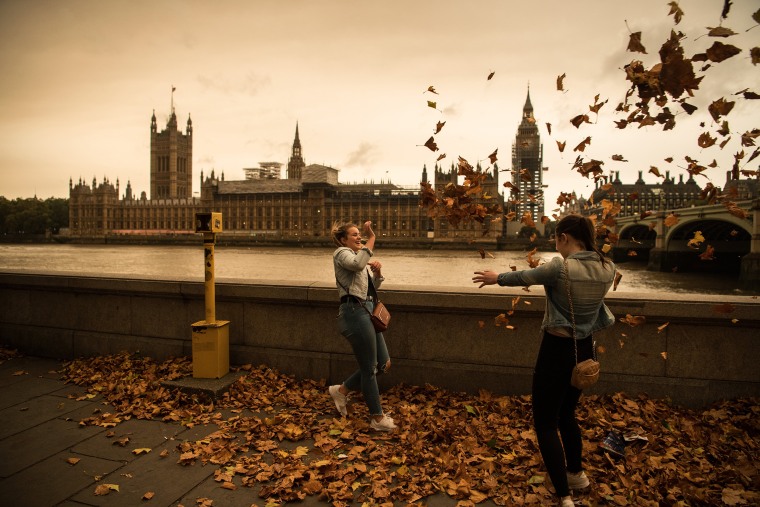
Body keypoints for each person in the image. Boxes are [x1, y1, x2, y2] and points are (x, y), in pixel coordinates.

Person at [472, 214, 616, 507]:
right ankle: (577, 474)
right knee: (567, 414)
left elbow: (524, 277)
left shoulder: (560, 267)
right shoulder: (607, 266)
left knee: (545, 422)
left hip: (557, 349)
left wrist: (494, 278)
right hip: (585, 348)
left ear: (563, 238)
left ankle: (564, 495)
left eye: (556, 239)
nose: (556, 244)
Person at [328, 220, 396, 432]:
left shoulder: (358, 258)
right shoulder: (341, 253)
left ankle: (341, 390)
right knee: (369, 370)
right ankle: (377, 418)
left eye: (361, 234)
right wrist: (372, 238)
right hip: (354, 314)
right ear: (343, 240)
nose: (359, 238)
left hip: (366, 311)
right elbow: (357, 264)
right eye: (355, 235)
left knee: (383, 363)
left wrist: (376, 274)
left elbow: (369, 289)